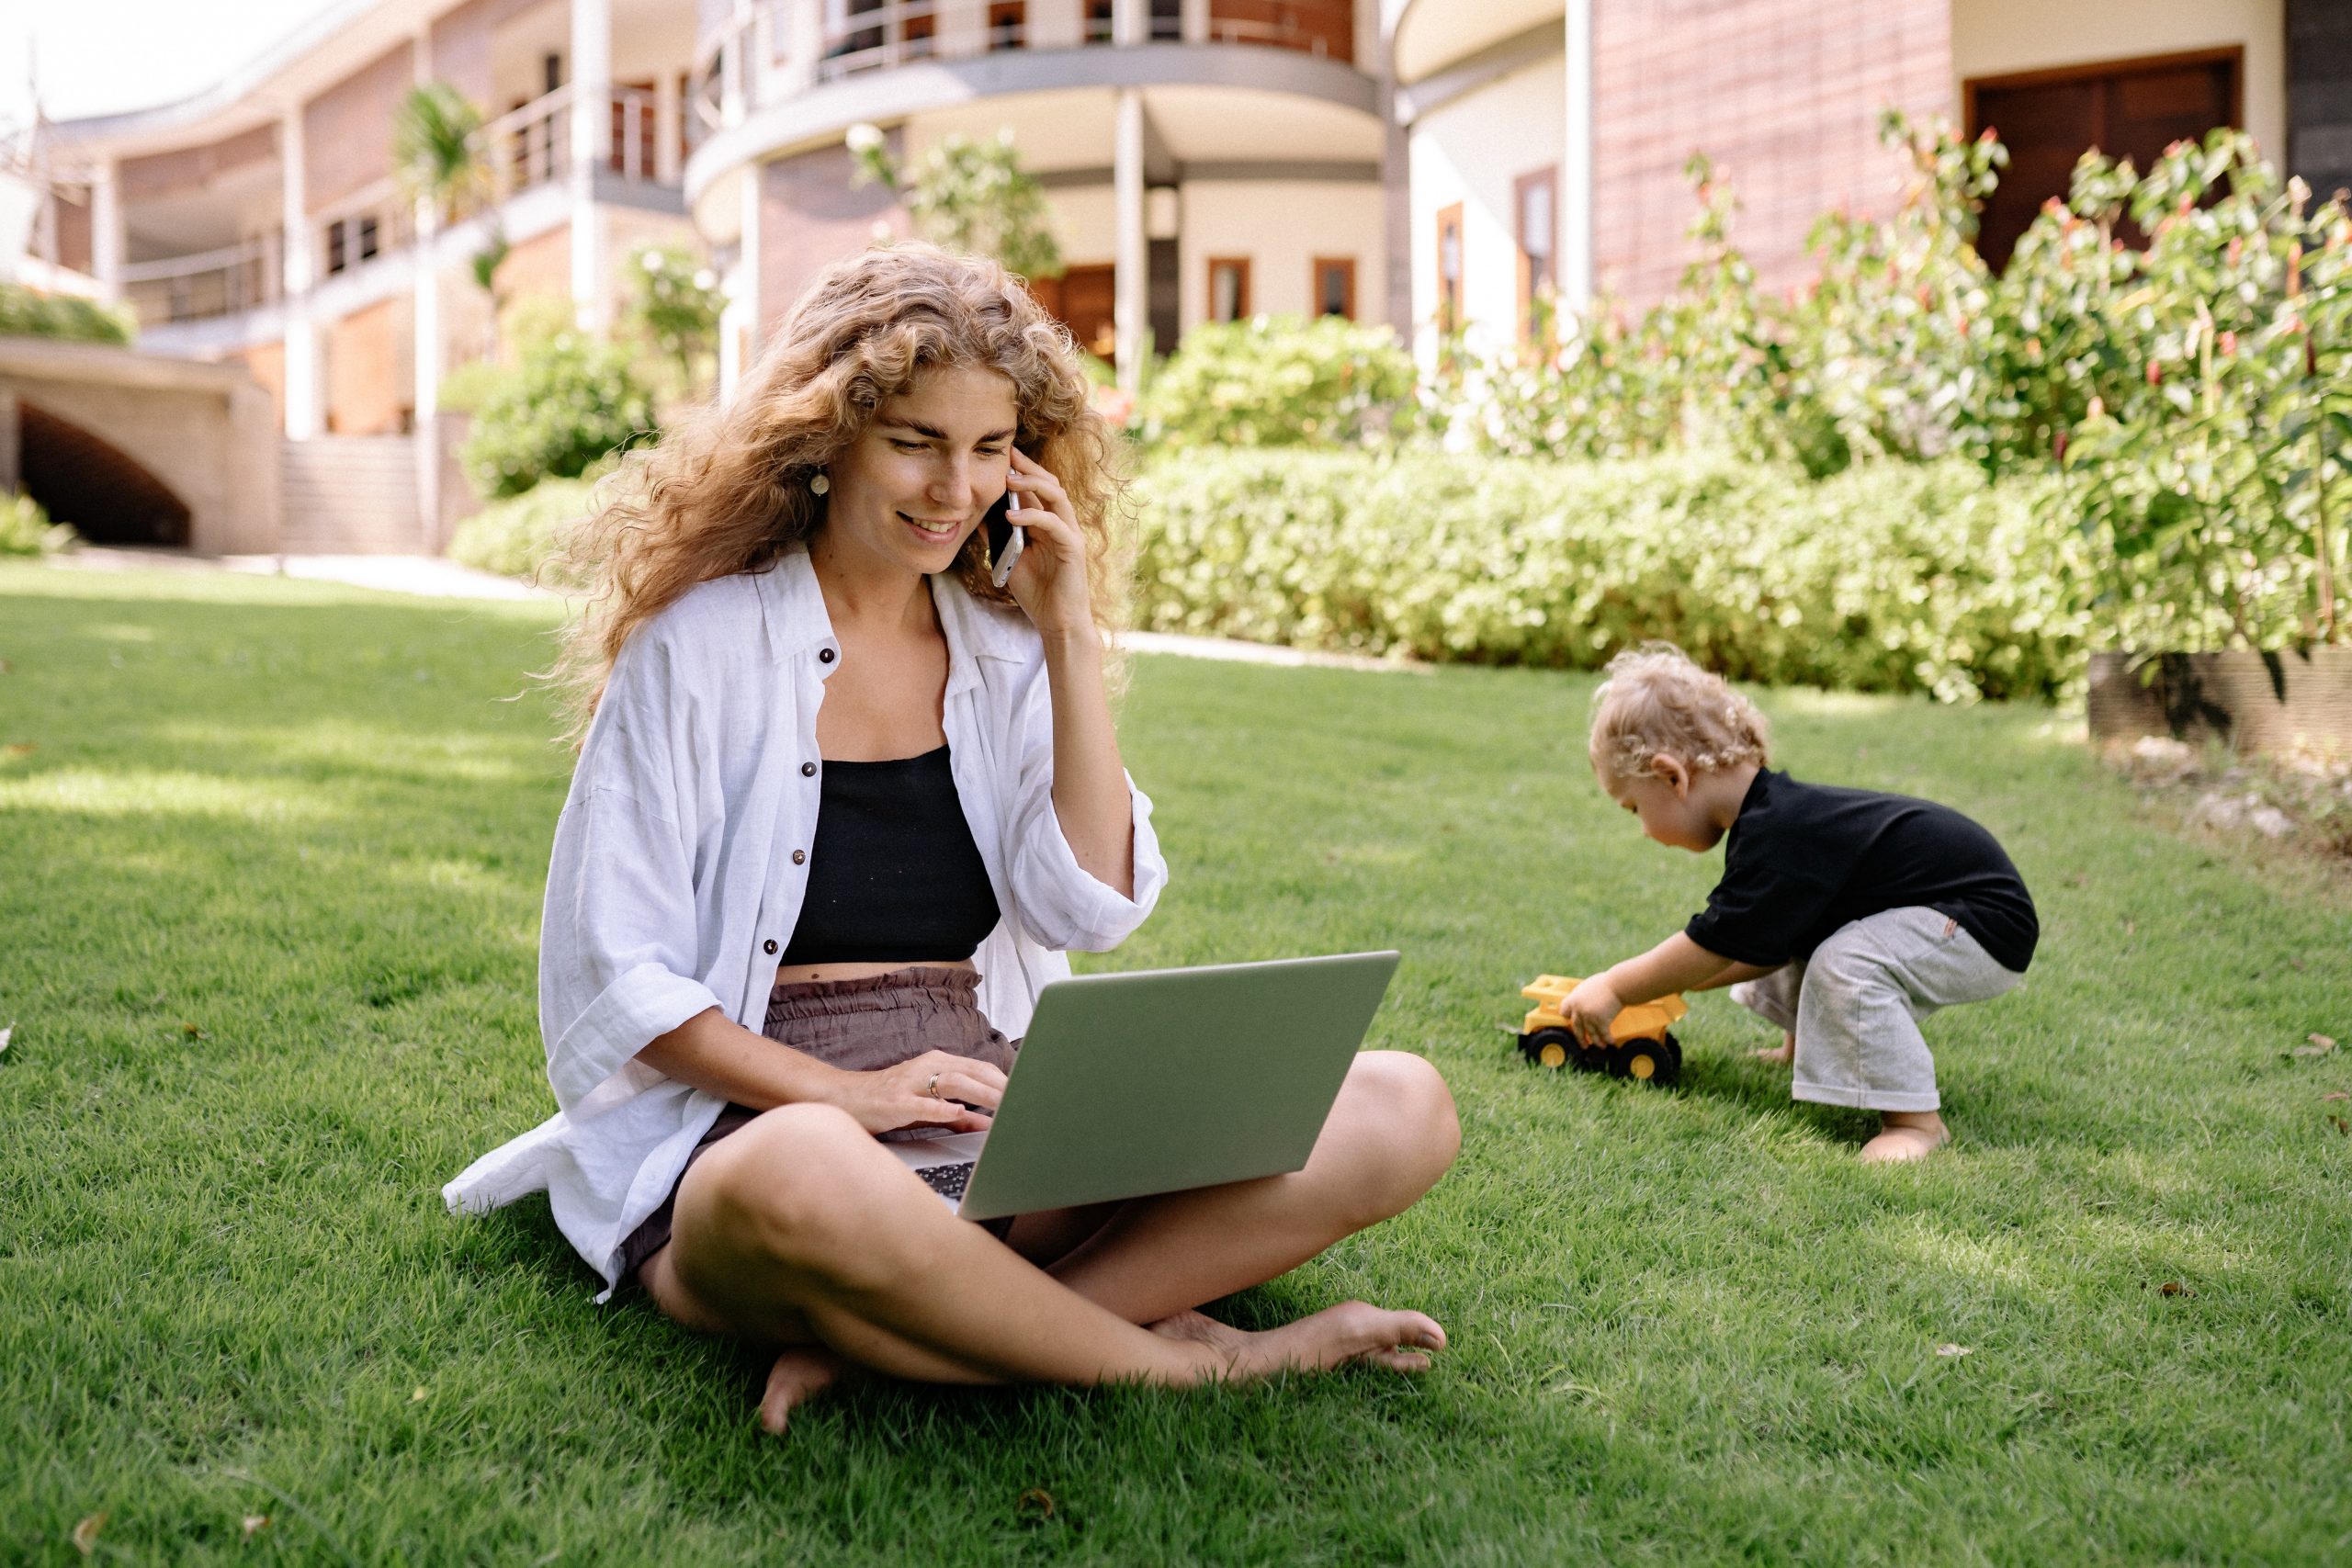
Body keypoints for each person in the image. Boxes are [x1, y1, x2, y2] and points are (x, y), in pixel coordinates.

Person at [443, 244, 1461, 1433]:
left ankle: (934, 1332)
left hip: (992, 1114)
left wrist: (1070, 637)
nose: (954, 488)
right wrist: (848, 1094)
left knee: (1401, 1104)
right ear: (829, 437)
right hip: (762, 1128)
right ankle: (1187, 1359)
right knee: (805, 1169)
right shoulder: (700, 646)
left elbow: (1090, 906)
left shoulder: (1005, 650)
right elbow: (616, 981)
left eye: (990, 449)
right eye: (917, 441)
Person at [1558, 644, 2036, 1161]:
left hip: (1981, 920)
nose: (1643, 829)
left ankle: (1915, 1124)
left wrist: (1616, 986)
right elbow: (1756, 947)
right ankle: (1803, 1046)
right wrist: (1650, 988)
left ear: (1672, 775)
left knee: (1847, 960)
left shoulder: (1780, 833)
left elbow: (1714, 943)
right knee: (1795, 931)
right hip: (1947, 910)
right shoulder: (1769, 825)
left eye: (1634, 808)